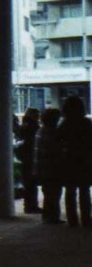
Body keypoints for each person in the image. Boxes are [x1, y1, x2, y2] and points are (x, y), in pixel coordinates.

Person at [56, 95, 92, 228]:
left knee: (70, 191)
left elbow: (57, 141)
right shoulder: (86, 123)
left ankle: (72, 219)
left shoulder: (63, 124)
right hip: (84, 160)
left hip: (68, 161)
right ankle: (86, 218)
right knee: (84, 191)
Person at [34, 106, 63, 224]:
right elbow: (54, 150)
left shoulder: (40, 131)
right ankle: (52, 217)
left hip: (42, 167)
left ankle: (48, 216)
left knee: (48, 193)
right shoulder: (52, 132)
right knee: (54, 193)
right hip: (52, 167)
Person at [15, 107, 40, 213]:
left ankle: (29, 205)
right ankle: (32, 205)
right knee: (32, 183)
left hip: (24, 158)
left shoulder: (23, 126)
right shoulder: (34, 127)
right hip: (31, 157)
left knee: (28, 183)